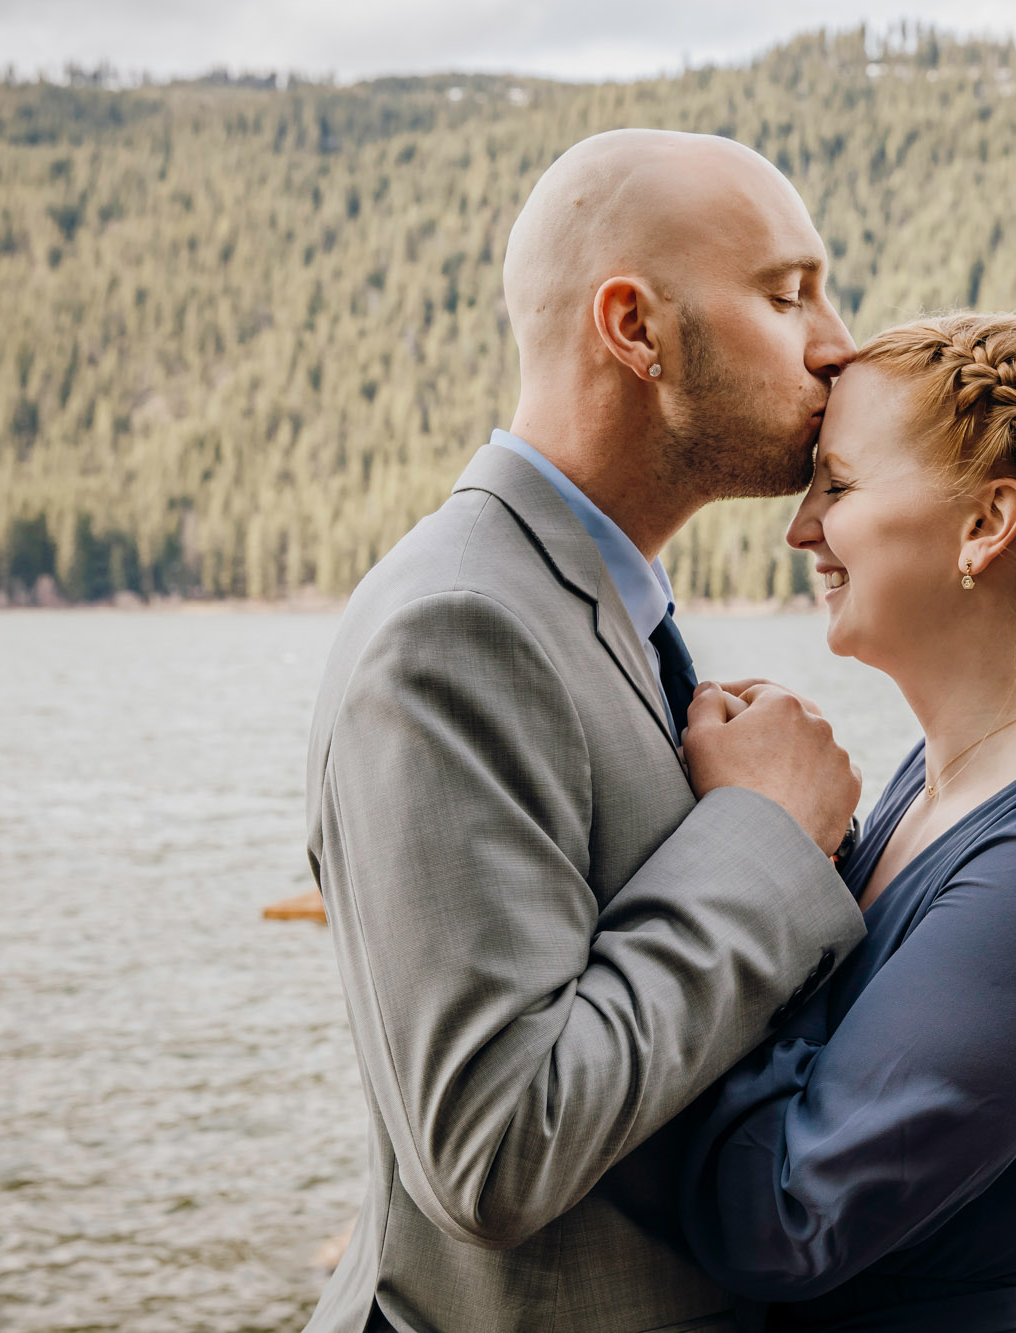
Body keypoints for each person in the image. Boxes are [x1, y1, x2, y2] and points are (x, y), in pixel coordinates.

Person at [300, 129, 867, 1333]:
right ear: (634, 329)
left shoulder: (578, 597)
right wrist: (762, 835)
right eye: (786, 292)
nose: (836, 341)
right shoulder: (456, 627)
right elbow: (494, 1149)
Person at [678, 313, 1016, 1333]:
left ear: (983, 523)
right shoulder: (935, 777)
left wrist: (755, 843)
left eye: (837, 485)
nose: (798, 529)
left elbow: (784, 1221)